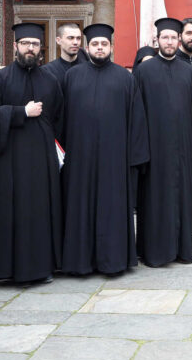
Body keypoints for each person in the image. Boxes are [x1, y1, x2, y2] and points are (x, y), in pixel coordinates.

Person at [0, 23, 64, 284]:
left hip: (42, 158)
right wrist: (20, 112)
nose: (30, 48)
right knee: (12, 210)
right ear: (15, 46)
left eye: (35, 44)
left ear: (42, 48)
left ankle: (44, 267)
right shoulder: (0, 79)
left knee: (42, 209)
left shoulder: (50, 79)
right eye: (26, 43)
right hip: (10, 158)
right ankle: (8, 270)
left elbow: (60, 117)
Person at [131, 18, 192, 266]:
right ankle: (155, 252)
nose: (169, 42)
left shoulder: (186, 70)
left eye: (173, 38)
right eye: (164, 38)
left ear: (178, 41)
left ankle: (181, 250)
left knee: (181, 199)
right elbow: (137, 113)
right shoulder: (144, 71)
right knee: (155, 201)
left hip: (182, 150)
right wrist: (141, 148)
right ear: (157, 41)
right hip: (155, 150)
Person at [60, 23, 140, 276]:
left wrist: (133, 157)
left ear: (111, 48)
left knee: (112, 209)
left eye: (104, 44)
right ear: (87, 47)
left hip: (114, 160)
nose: (100, 47)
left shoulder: (125, 78)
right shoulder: (71, 77)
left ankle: (113, 262)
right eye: (95, 44)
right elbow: (61, 119)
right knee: (80, 209)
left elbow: (136, 120)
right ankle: (80, 263)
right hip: (79, 159)